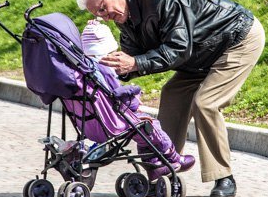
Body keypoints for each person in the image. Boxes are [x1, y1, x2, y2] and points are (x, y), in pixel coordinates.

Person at [76, 0, 265, 197]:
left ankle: (223, 176)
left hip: (236, 40)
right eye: (98, 13)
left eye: (103, 8)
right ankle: (164, 169)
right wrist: (106, 63)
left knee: (205, 103)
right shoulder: (124, 15)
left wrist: (134, 63)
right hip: (198, 56)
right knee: (172, 95)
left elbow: (178, 48)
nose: (104, 16)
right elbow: (132, 57)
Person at [80, 19, 195, 181]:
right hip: (115, 119)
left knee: (142, 135)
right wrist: (134, 96)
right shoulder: (105, 70)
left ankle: (154, 166)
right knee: (150, 126)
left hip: (93, 122)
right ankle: (173, 157)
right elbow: (117, 96)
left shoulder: (86, 71)